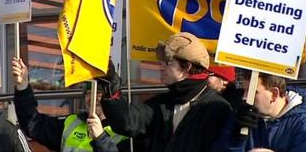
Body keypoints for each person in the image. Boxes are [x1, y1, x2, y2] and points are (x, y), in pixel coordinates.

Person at [99, 32, 232, 152]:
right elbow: (127, 122)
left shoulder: (217, 107)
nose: (160, 68)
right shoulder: (162, 103)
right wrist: (111, 83)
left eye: (167, 63)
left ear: (187, 66)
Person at [11, 57, 128, 152]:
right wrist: (23, 86)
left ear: (111, 99)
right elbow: (32, 124)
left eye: (100, 93)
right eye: (89, 93)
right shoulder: (71, 123)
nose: (94, 98)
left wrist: (101, 138)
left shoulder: (124, 132)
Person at [212, 72, 306, 152]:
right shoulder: (240, 118)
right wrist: (235, 140)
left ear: (274, 94)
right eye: (244, 90)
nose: (244, 97)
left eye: (253, 92)